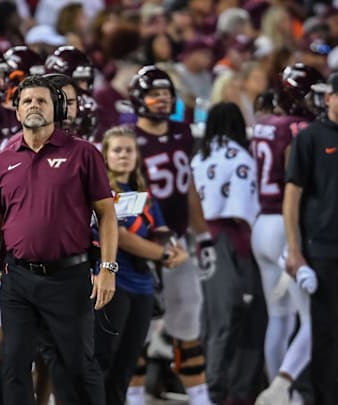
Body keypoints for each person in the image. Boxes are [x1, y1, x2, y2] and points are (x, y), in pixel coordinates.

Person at [0, 75, 118, 405]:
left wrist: (109, 268)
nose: (33, 106)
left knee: (78, 367)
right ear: (16, 110)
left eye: (41, 100)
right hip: (18, 280)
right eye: (26, 101)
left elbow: (107, 215)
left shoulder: (84, 153)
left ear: (56, 108)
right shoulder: (2, 159)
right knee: (13, 365)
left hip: (68, 278)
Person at [283, 71, 338, 405]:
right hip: (320, 247)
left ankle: (328, 395)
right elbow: (292, 195)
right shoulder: (310, 138)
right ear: (328, 98)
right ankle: (321, 398)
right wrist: (294, 249)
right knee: (323, 330)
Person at [129, 66, 213, 405]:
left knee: (188, 315)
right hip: (143, 240)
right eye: (154, 95)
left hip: (177, 240)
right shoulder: (128, 138)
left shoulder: (181, 132)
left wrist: (203, 235)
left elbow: (188, 186)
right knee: (140, 325)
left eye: (166, 96)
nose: (162, 102)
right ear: (138, 99)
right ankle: (132, 393)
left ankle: (200, 395)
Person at [95, 125, 189, 405]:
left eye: (129, 150)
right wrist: (161, 255)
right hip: (115, 283)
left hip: (143, 286)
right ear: (106, 156)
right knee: (103, 361)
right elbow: (120, 238)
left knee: (126, 365)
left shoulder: (143, 194)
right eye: (117, 150)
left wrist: (175, 252)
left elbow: (162, 231)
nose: (124, 155)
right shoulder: (102, 193)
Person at [250, 64, 325, 404]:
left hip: (261, 222)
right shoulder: (298, 127)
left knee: (278, 318)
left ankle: (281, 394)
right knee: (315, 319)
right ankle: (282, 387)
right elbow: (298, 177)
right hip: (285, 224)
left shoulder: (264, 123)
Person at [191, 101, 266, 404]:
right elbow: (242, 212)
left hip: (199, 240)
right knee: (240, 316)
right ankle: (225, 391)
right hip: (232, 241)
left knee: (210, 320)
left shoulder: (197, 157)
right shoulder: (240, 156)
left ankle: (207, 388)